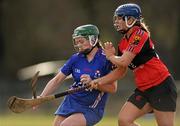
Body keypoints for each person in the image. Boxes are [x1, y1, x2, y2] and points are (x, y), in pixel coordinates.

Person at [89, 3, 177, 126]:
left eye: (120, 18)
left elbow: (124, 61)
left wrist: (110, 56)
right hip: (144, 89)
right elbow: (120, 71)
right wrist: (99, 81)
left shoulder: (139, 34)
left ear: (130, 19)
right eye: (117, 18)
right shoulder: (123, 43)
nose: (117, 22)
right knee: (124, 121)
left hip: (161, 86)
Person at [36, 24, 118, 126]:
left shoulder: (106, 59)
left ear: (93, 39)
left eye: (81, 41)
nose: (78, 45)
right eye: (76, 42)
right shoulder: (75, 59)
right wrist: (41, 97)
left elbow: (113, 88)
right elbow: (57, 80)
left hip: (91, 107)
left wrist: (94, 83)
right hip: (71, 101)